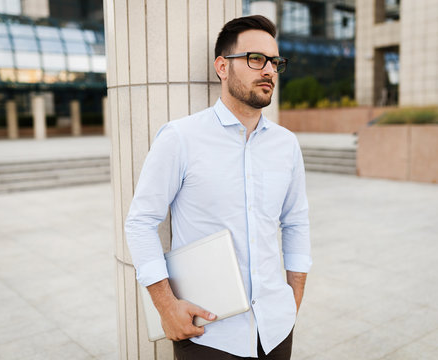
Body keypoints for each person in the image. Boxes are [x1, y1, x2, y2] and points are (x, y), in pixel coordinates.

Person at [125, 15, 311, 360]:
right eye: (255, 59)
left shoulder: (286, 144)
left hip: (276, 330)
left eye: (274, 62)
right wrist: (166, 307)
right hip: (209, 335)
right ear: (222, 67)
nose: (268, 69)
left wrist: (292, 299)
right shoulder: (180, 138)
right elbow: (140, 222)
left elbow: (296, 222)